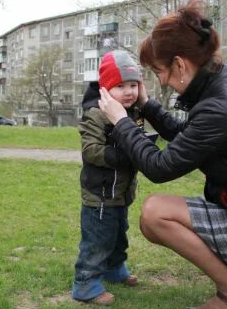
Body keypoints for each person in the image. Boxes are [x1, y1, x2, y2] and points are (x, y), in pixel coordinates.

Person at [97, 1, 227, 309]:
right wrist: (146, 105)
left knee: (155, 213)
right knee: (159, 212)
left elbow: (159, 166)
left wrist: (121, 121)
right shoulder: (222, 84)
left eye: (160, 71)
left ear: (180, 65)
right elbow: (187, 135)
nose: (162, 81)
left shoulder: (220, 107)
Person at [72, 50, 144, 305]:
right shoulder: (97, 114)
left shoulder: (133, 112)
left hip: (121, 192)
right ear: (105, 89)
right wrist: (124, 155)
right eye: (120, 86)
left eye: (133, 85)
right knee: (97, 239)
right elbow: (90, 151)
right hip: (100, 194)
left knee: (118, 234)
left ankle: (114, 269)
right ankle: (85, 282)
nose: (129, 92)